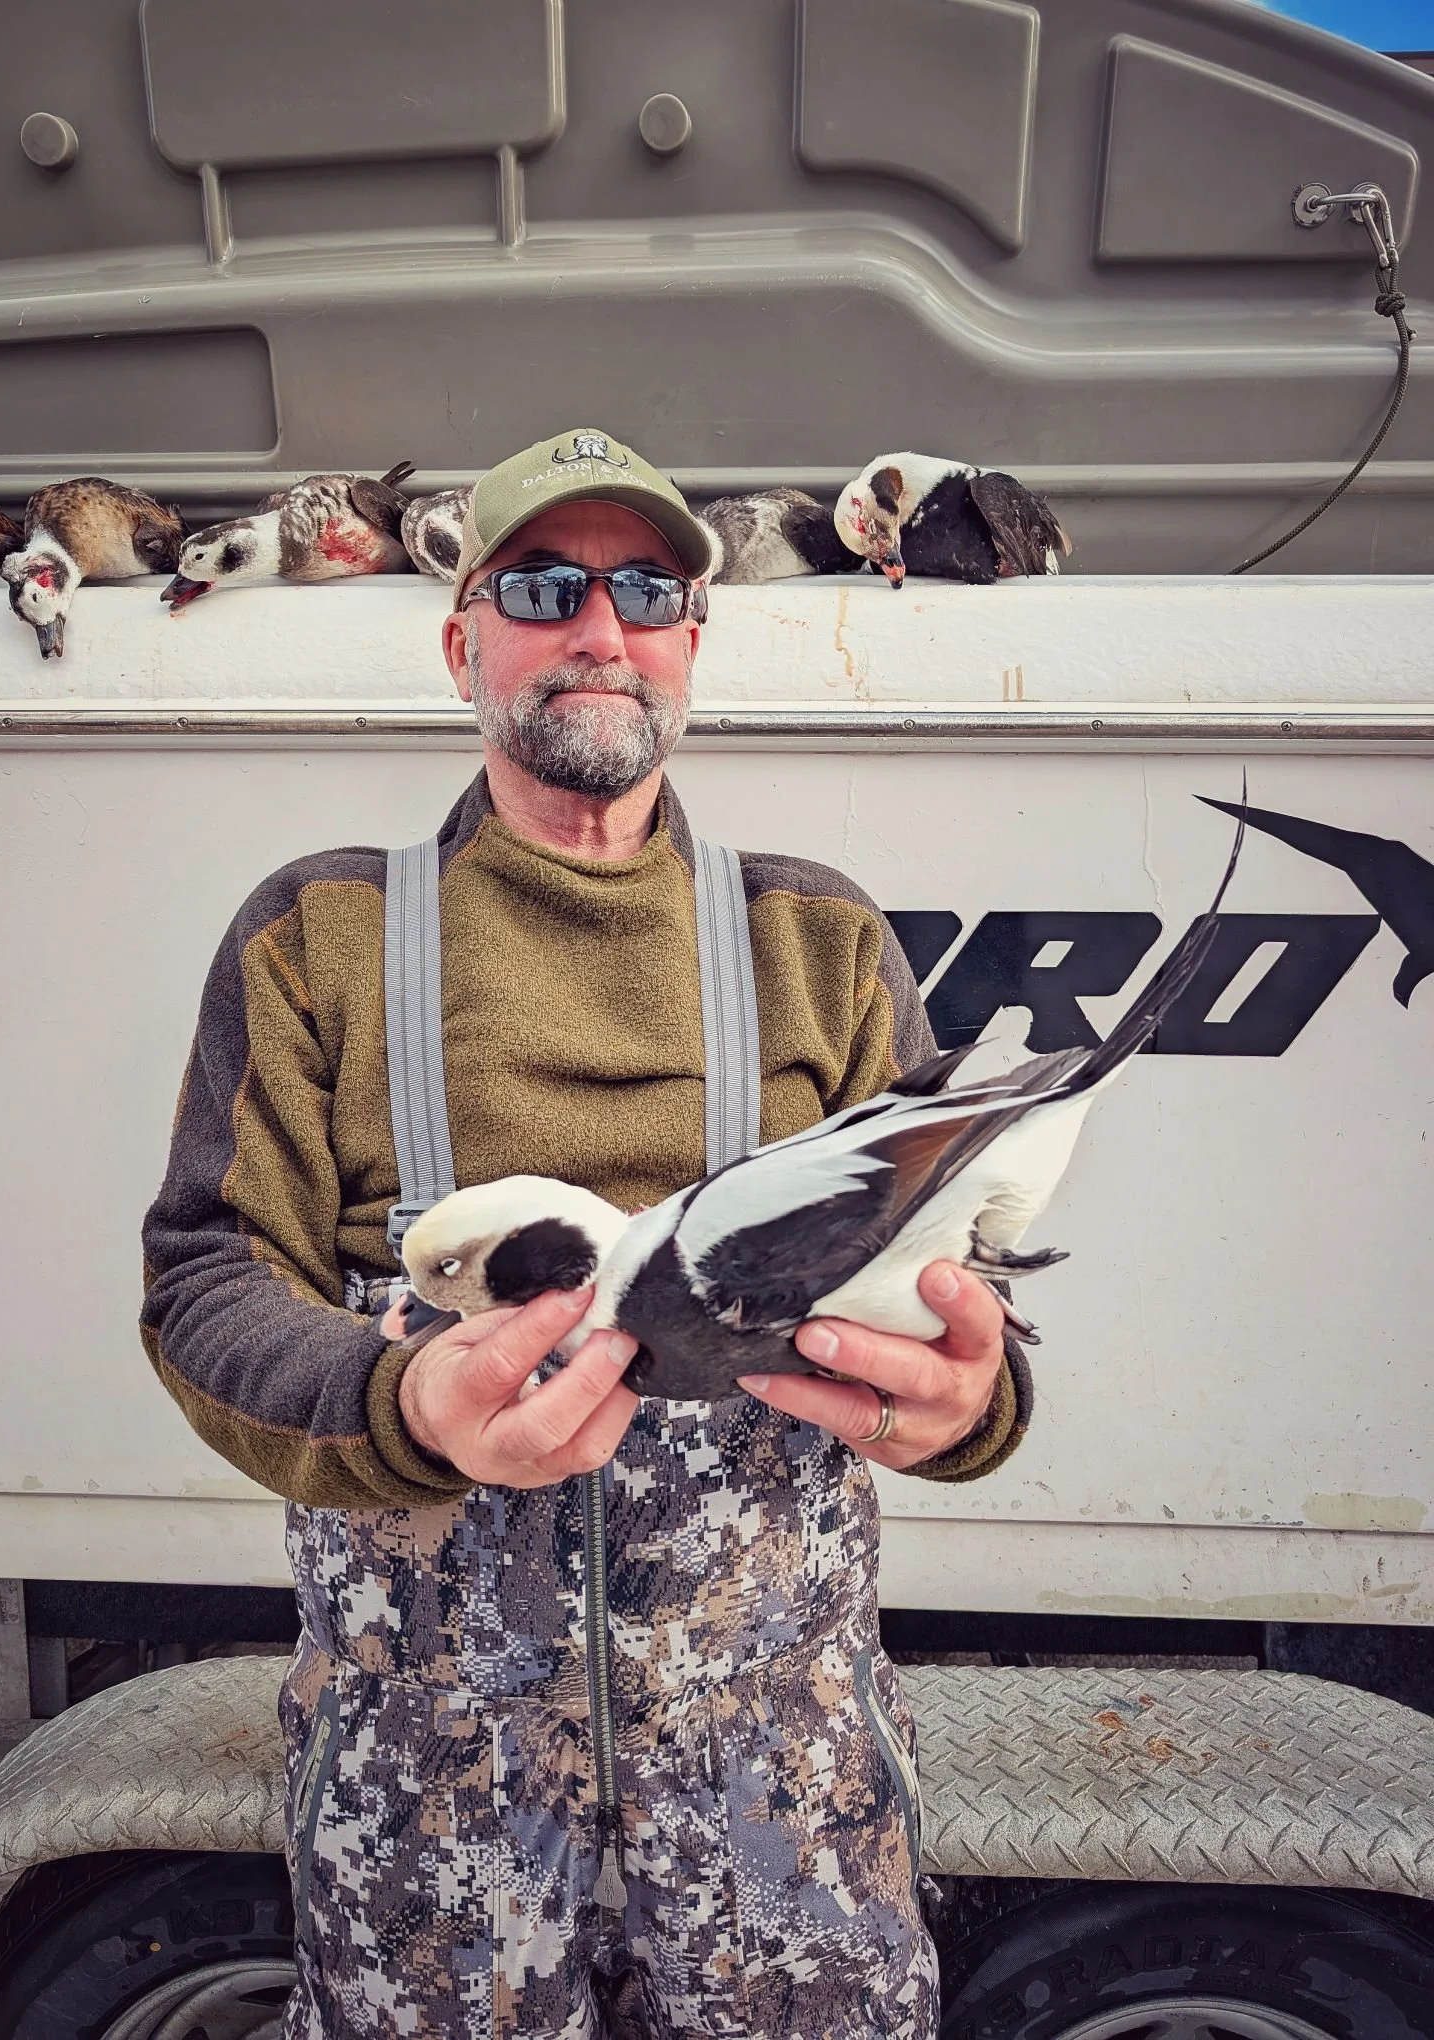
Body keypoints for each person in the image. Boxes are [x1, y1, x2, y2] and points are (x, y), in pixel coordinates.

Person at [141, 428, 1033, 2040]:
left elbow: (962, 1277)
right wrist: (400, 1400)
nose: (600, 628)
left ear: (696, 636)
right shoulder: (316, 936)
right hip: (431, 1802)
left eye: (648, 587)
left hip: (782, 1785)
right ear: (461, 639)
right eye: (544, 586)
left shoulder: (816, 936)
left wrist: (977, 1403)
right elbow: (205, 1280)